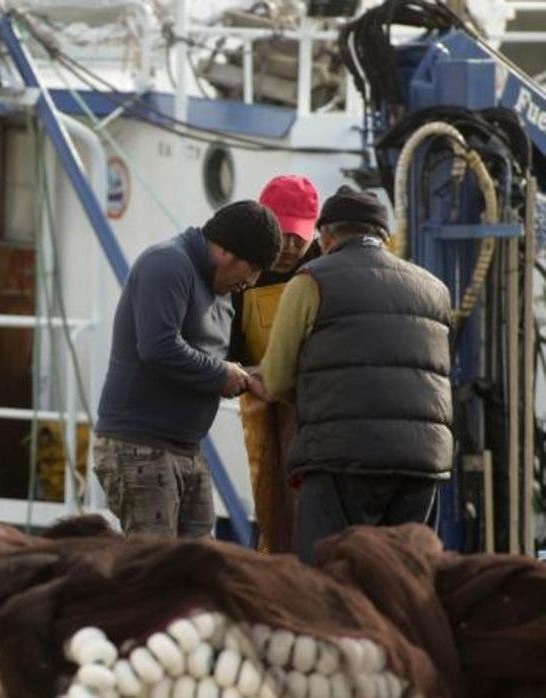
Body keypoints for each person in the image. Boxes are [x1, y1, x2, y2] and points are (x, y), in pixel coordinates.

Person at [259, 186, 452, 565]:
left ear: (326, 236)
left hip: (340, 459)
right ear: (384, 236)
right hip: (422, 461)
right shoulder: (435, 290)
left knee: (331, 582)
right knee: (405, 581)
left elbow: (277, 379)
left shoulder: (310, 280)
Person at [94, 200, 282, 538]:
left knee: (196, 572)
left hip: (187, 448)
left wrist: (248, 376)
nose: (252, 281)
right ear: (225, 251)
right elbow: (158, 346)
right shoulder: (167, 263)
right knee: (157, 575)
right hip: (140, 445)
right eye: (252, 268)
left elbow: (210, 357)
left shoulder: (221, 287)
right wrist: (221, 375)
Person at [227, 175, 320, 553]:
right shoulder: (241, 275)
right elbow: (228, 345)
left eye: (301, 235)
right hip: (261, 406)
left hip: (313, 408)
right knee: (272, 511)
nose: (291, 245)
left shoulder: (323, 268)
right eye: (284, 233)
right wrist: (249, 376)